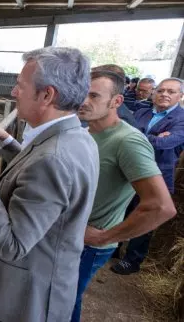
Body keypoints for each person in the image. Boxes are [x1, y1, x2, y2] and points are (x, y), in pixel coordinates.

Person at [0, 46, 99, 322]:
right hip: (40, 287)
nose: (13, 92)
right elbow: (38, 174)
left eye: (20, 86)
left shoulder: (54, 159)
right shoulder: (77, 137)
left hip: (24, 304)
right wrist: (7, 141)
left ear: (47, 95)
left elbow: (13, 244)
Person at [71, 69, 176, 322]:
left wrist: (106, 236)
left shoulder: (128, 141)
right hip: (71, 237)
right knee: (57, 298)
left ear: (117, 101)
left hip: (89, 245)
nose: (84, 101)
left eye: (94, 95)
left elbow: (162, 207)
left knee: (64, 301)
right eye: (81, 93)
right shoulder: (87, 132)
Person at [112, 77, 184, 275]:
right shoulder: (143, 111)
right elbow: (121, 132)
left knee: (145, 215)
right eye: (161, 91)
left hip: (157, 175)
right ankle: (114, 247)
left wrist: (135, 137)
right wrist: (152, 138)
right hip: (129, 171)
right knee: (122, 209)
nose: (164, 95)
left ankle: (133, 260)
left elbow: (165, 144)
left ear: (180, 96)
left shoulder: (182, 119)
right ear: (154, 93)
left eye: (171, 91)